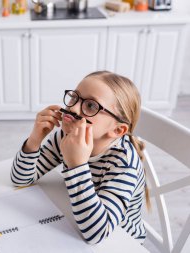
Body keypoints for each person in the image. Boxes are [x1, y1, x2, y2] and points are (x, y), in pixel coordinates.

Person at [11, 71, 149, 244]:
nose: (73, 108)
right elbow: (20, 179)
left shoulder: (124, 164)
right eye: (74, 98)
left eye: (91, 106)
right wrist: (34, 139)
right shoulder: (65, 136)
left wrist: (77, 165)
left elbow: (96, 234)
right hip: (76, 219)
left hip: (120, 239)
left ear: (117, 130)